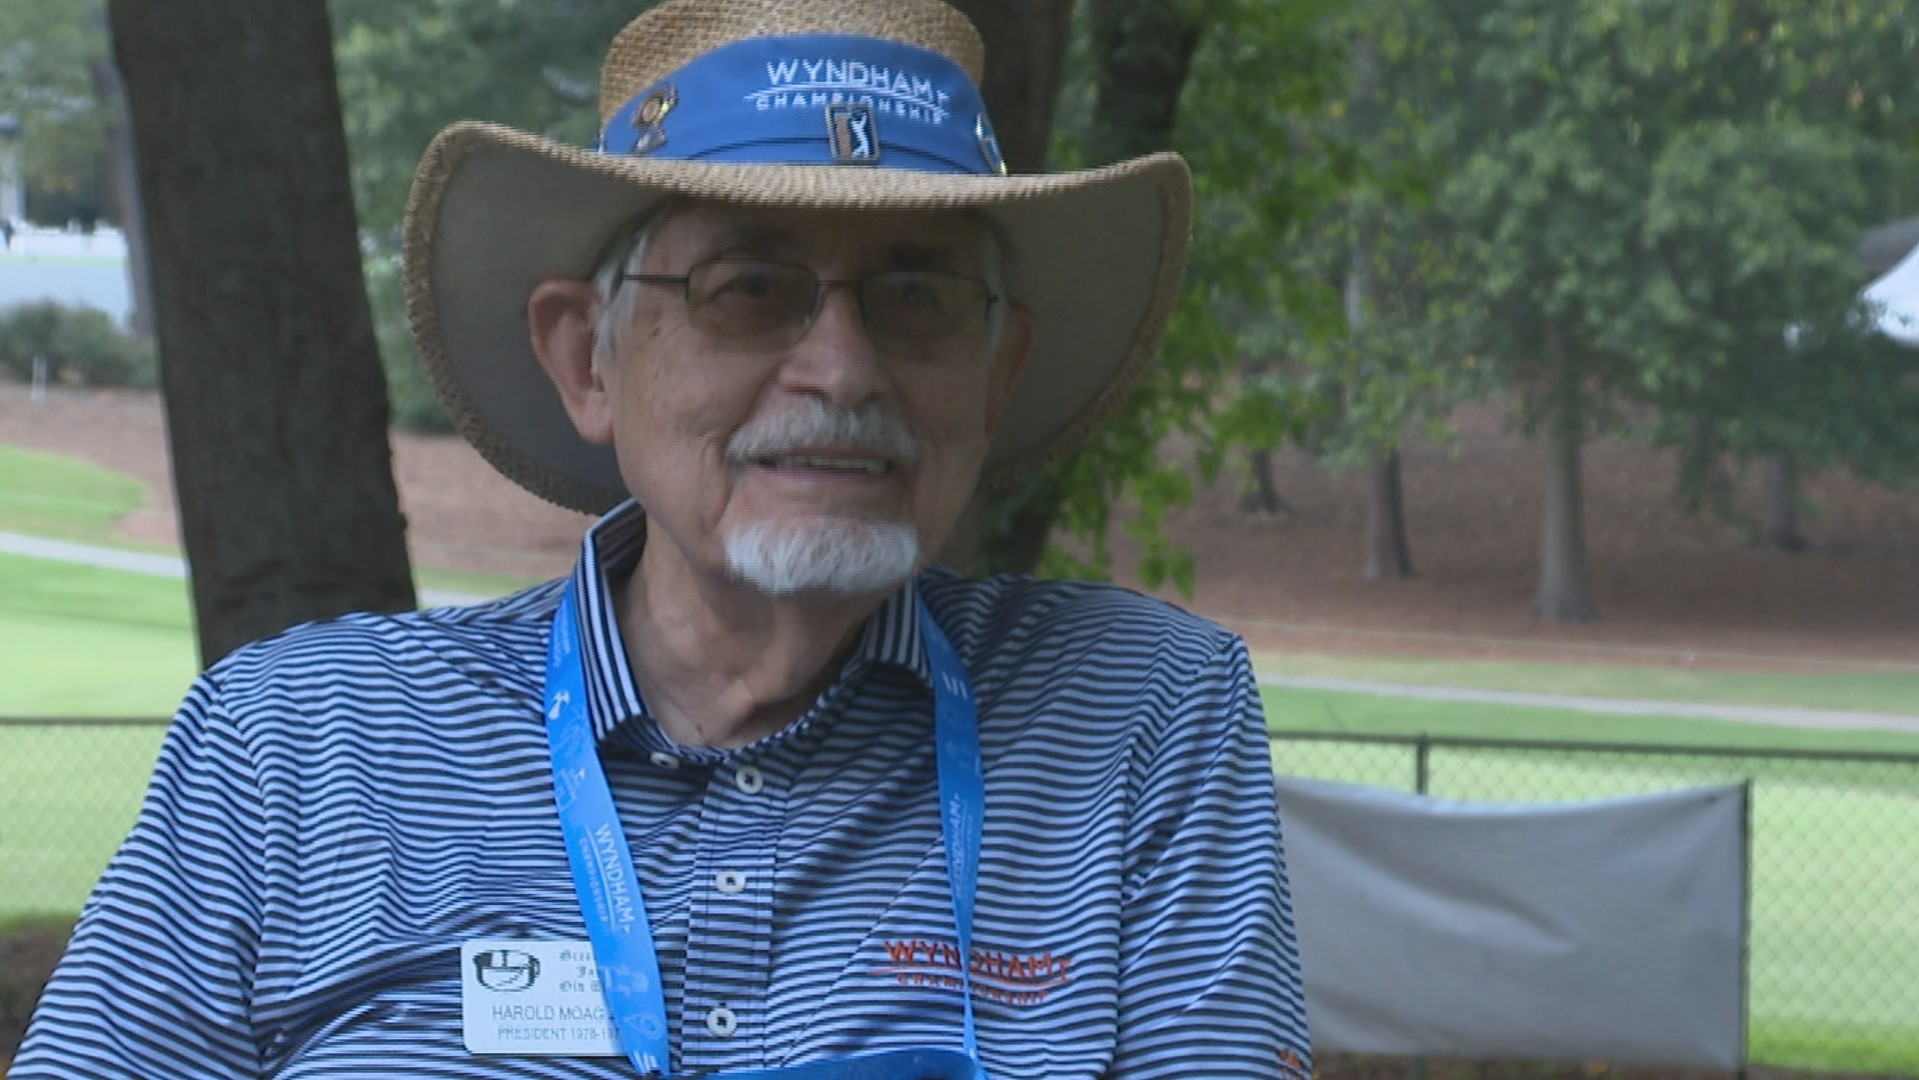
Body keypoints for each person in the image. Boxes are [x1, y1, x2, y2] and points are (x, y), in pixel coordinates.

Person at [13, 0, 1311, 1076]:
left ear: (993, 368)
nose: (842, 369)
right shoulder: (298, 745)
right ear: (588, 358)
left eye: (915, 294)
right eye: (750, 288)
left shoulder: (1139, 720)